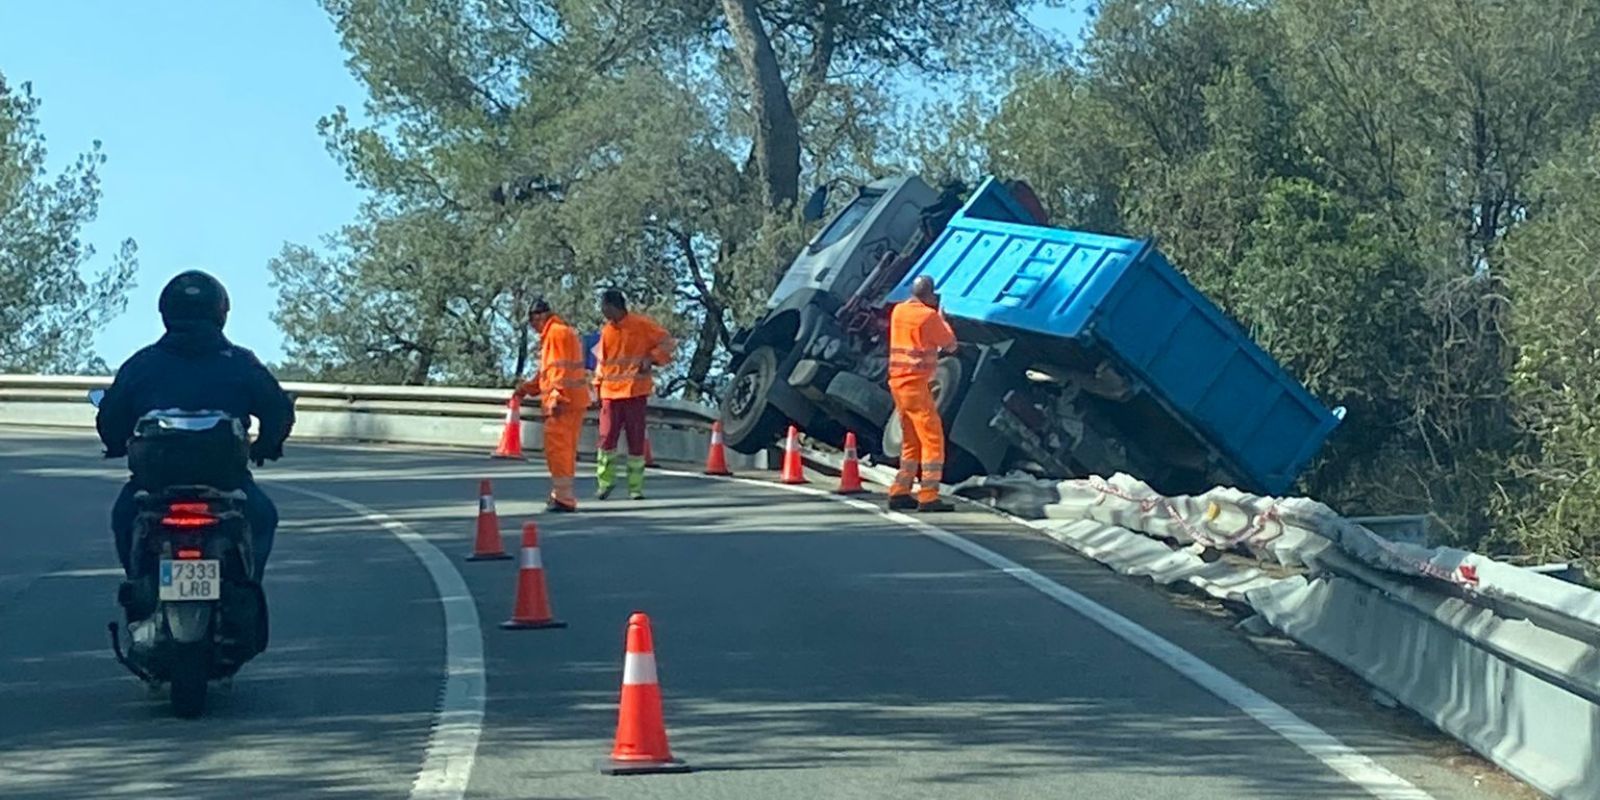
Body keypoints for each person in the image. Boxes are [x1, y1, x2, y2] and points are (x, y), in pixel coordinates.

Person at [96, 270, 296, 578]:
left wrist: (113, 445)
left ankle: (136, 584)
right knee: (262, 516)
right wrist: (267, 446)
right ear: (220, 312)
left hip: (154, 481)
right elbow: (277, 409)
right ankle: (247, 584)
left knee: (125, 515)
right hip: (225, 480)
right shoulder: (240, 362)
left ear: (166, 312)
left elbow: (110, 417)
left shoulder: (142, 364)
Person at [591, 288, 675, 500]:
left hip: (635, 393)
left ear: (613, 306)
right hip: (610, 394)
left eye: (604, 306)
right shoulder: (606, 331)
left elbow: (668, 342)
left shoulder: (641, 325)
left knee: (636, 442)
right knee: (606, 439)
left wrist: (652, 358)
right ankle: (605, 483)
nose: (602, 311)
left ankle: (635, 488)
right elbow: (601, 363)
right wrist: (596, 388)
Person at [886, 275, 957, 513]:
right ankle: (928, 496)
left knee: (911, 440)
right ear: (930, 295)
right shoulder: (928, 317)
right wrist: (941, 317)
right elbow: (950, 344)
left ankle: (900, 491)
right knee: (932, 439)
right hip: (916, 385)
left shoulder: (899, 311)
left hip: (898, 384)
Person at [516, 296, 589, 512]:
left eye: (532, 321)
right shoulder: (557, 333)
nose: (532, 327)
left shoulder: (555, 333)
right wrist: (527, 389)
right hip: (571, 400)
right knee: (564, 449)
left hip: (562, 403)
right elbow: (547, 373)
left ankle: (564, 498)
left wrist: (556, 395)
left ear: (539, 317)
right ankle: (560, 494)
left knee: (559, 449)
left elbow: (558, 370)